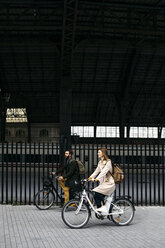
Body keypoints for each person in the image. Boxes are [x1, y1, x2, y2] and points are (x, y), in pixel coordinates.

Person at [89, 147, 115, 214]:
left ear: (103, 153)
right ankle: (102, 210)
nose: (97, 153)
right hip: (103, 183)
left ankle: (102, 208)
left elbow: (103, 172)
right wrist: (90, 178)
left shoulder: (108, 162)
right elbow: (96, 171)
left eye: (99, 152)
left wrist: (97, 179)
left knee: (96, 192)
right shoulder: (100, 162)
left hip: (109, 183)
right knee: (97, 195)